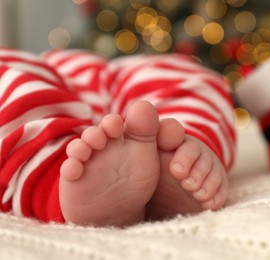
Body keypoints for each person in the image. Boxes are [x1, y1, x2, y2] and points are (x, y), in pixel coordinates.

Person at [0, 48, 236, 227]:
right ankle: (58, 178)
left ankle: (180, 149)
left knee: (183, 75)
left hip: (68, 69)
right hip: (66, 110)